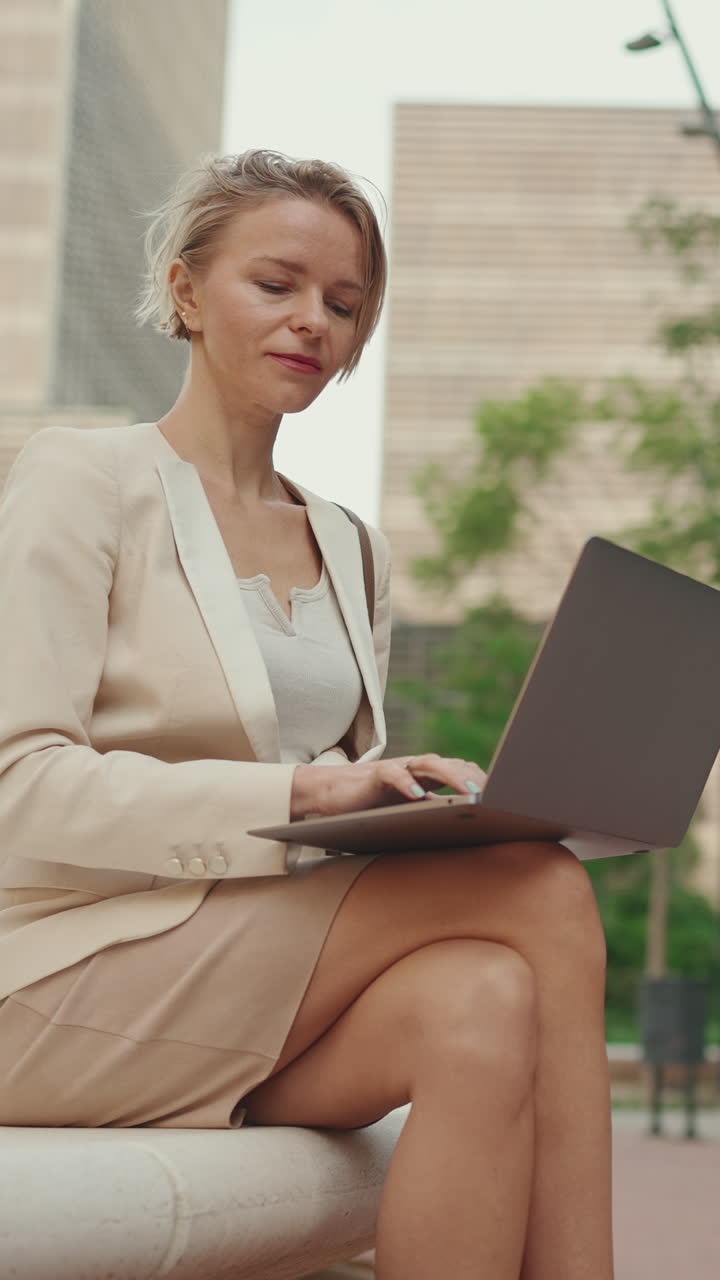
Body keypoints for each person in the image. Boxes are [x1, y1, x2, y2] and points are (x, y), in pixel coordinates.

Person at [0, 149, 613, 1279]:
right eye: (275, 284)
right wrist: (308, 789)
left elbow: (342, 799)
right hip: (60, 976)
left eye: (343, 302)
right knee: (543, 890)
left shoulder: (348, 544)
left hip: (256, 969)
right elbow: (22, 783)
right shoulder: (80, 480)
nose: (313, 323)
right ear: (185, 292)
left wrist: (417, 802)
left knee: (486, 1000)